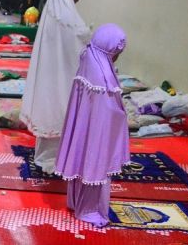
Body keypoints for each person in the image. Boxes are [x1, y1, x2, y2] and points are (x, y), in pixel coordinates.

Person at [55, 24, 129, 227]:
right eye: (117, 53)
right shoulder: (101, 75)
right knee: (94, 167)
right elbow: (108, 109)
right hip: (98, 131)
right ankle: (90, 209)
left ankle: (75, 201)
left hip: (85, 126)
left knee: (81, 163)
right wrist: (122, 113)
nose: (117, 57)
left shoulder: (90, 56)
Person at [19, 0, 91, 173]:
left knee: (51, 109)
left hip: (51, 75)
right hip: (66, 76)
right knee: (62, 112)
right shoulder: (69, 18)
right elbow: (79, 46)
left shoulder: (53, 12)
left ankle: (48, 157)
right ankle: (59, 160)